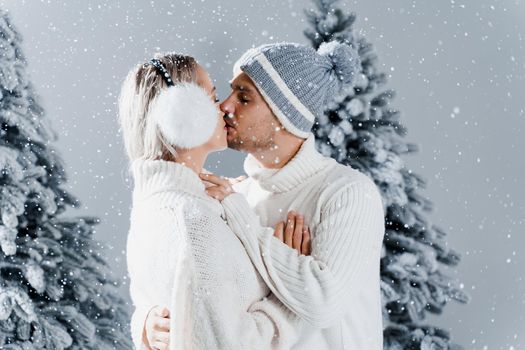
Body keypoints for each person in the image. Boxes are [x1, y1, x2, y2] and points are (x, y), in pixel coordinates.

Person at [146, 41, 386, 349]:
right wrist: (151, 321)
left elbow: (324, 303)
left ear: (285, 116)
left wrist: (246, 226)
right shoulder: (235, 195)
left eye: (244, 98)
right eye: (230, 92)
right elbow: (210, 300)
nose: (224, 106)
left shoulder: (347, 192)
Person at [119, 53, 312, 350]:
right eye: (212, 97)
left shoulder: (157, 207)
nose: (223, 108)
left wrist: (145, 326)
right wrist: (287, 292)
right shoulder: (192, 221)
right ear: (183, 111)